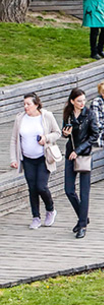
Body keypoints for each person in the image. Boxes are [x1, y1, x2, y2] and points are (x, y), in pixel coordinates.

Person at [10, 93, 61, 230]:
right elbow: (14, 139)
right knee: (32, 188)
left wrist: (46, 138)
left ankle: (50, 209)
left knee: (41, 186)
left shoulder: (46, 116)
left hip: (43, 158)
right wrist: (14, 159)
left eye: (28, 104)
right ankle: (36, 217)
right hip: (27, 159)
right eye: (24, 104)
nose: (26, 107)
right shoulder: (20, 118)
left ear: (36, 105)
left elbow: (57, 133)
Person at [61, 88, 98, 237]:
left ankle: (82, 225)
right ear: (72, 101)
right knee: (69, 189)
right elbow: (65, 132)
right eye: (79, 101)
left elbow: (94, 135)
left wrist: (80, 149)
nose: (82, 103)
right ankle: (83, 217)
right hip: (71, 153)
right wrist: (65, 134)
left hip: (84, 155)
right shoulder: (68, 115)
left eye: (84, 100)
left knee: (84, 191)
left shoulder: (90, 114)